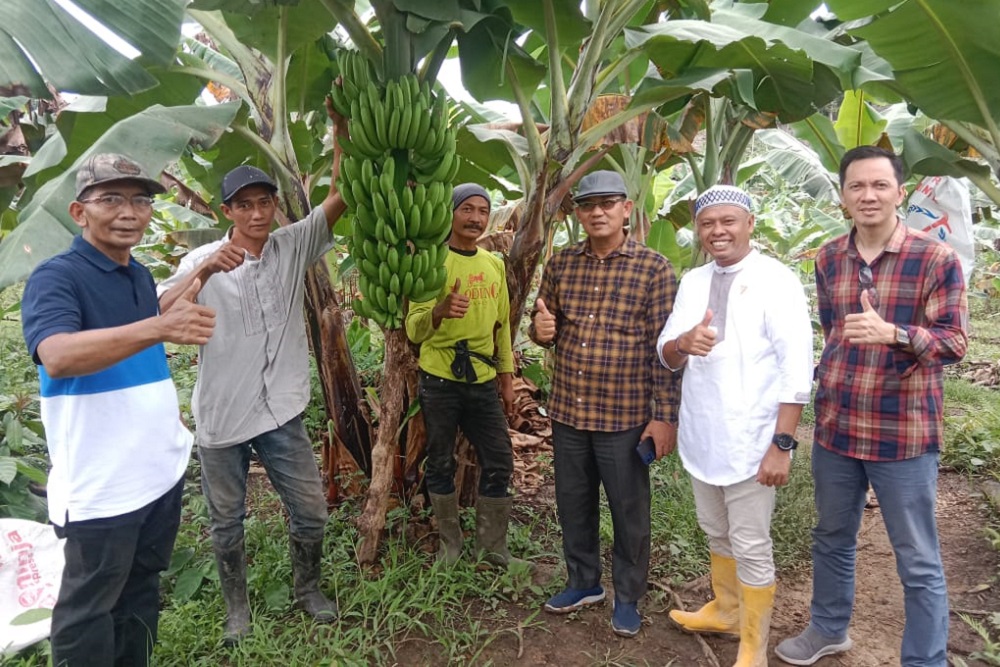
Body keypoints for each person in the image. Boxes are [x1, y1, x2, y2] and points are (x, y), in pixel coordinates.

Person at [157, 112, 348, 644]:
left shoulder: (293, 246)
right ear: (228, 212)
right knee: (226, 521)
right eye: (245, 205)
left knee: (311, 511)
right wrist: (206, 272)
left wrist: (344, 137)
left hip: (281, 407)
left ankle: (308, 589)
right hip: (222, 415)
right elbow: (163, 314)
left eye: (265, 202)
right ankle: (236, 609)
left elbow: (342, 195)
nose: (258, 212)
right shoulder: (201, 258)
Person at [20, 153, 216, 666]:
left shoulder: (137, 273)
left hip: (158, 474)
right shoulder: (56, 277)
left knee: (141, 592)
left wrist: (174, 302)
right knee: (88, 610)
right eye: (111, 199)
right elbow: (57, 355)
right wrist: (160, 327)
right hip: (102, 488)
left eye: (140, 200)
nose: (129, 211)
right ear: (79, 212)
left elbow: (140, 335)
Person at [775, 146, 968, 666]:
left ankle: (926, 660)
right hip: (838, 427)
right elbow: (831, 333)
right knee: (832, 536)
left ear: (898, 192)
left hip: (902, 432)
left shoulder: (935, 259)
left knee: (917, 558)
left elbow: (954, 342)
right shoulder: (828, 257)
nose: (868, 195)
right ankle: (828, 629)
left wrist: (896, 334)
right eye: (857, 186)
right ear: (842, 196)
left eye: (879, 185)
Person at [656, 185, 813, 666]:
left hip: (753, 436)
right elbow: (664, 353)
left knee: (750, 541)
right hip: (704, 434)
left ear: (749, 224)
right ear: (699, 231)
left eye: (729, 221)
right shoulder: (693, 281)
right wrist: (685, 342)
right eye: (708, 223)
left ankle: (753, 643)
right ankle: (725, 609)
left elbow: (797, 367)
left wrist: (782, 444)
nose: (717, 231)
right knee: (715, 529)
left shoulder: (776, 279)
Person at [529, 170, 679, 637]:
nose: (598, 212)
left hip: (624, 415)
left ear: (626, 209)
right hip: (570, 411)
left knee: (628, 509)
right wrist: (540, 332)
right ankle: (583, 582)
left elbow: (665, 351)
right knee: (573, 502)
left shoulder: (654, 268)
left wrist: (665, 417)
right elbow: (543, 324)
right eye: (588, 205)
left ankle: (629, 595)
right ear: (578, 213)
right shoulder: (560, 265)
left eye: (608, 203)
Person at [405, 183, 522, 567]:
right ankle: (450, 547)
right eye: (467, 209)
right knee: (440, 460)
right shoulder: (432, 263)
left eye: (482, 211)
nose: (475, 218)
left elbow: (502, 326)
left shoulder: (493, 264)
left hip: (482, 378)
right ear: (451, 214)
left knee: (500, 457)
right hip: (440, 378)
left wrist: (506, 378)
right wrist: (438, 310)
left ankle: (492, 547)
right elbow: (414, 329)